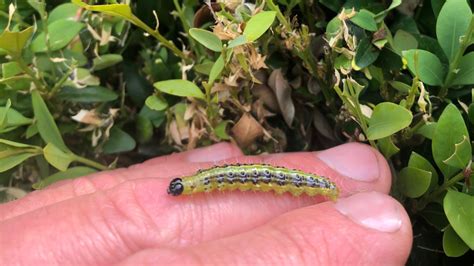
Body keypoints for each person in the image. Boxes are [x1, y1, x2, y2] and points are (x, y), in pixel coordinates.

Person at [0, 142, 412, 265]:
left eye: (181, 187)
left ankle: (322, 185)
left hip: (310, 183)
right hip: (301, 183)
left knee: (280, 181)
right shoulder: (206, 181)